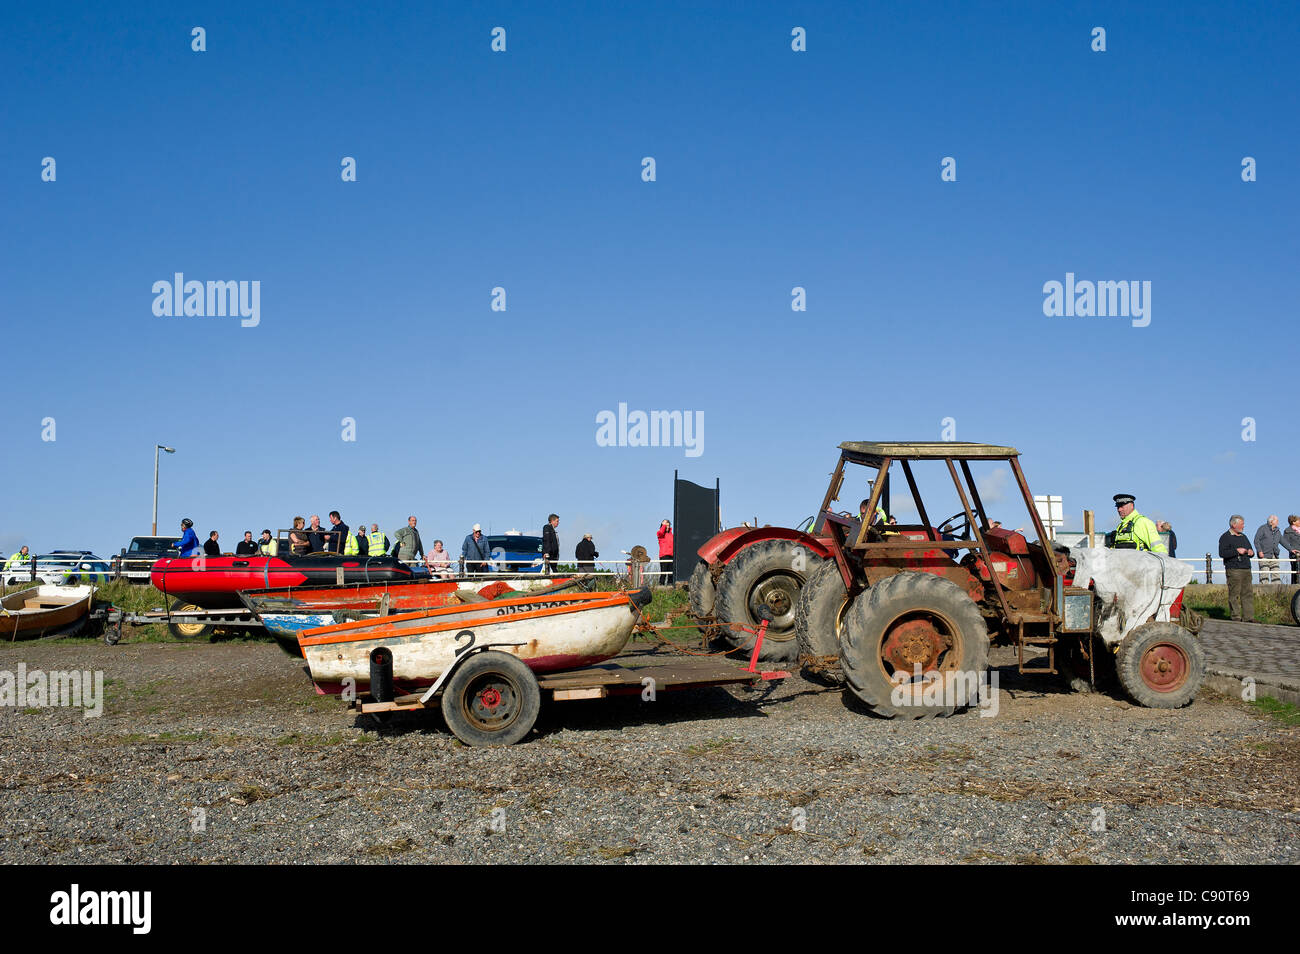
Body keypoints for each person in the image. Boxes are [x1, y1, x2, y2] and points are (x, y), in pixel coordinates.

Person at [1219, 515, 1256, 622]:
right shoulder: (1225, 537)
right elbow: (1222, 553)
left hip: (1246, 568)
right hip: (1233, 569)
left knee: (1247, 593)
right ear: (1234, 524)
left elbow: (1251, 550)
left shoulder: (1244, 537)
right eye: (1242, 524)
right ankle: (1235, 617)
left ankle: (1248, 617)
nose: (1243, 526)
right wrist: (1236, 551)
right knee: (1234, 594)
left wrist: (1251, 552)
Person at [1253, 515, 1282, 583]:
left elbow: (1283, 541)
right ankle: (1264, 592)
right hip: (1264, 555)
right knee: (1264, 575)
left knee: (1276, 575)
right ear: (1271, 522)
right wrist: (1259, 551)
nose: (1278, 522)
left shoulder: (1277, 531)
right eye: (1277, 520)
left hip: (1274, 555)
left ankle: (1277, 591)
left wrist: (1291, 549)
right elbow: (1256, 540)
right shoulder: (1262, 528)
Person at [1283, 515, 1300, 585]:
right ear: (1293, 522)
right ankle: (1295, 585)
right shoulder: (1288, 531)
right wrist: (1292, 549)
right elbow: (1284, 542)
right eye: (1298, 520)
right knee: (1296, 570)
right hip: (1295, 554)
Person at [656, 519, 674, 585]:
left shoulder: (671, 535)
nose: (667, 527)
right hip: (664, 555)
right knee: (664, 571)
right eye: (666, 525)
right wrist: (663, 525)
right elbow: (661, 532)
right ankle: (661, 584)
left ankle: (670, 584)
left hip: (671, 555)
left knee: (671, 572)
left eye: (668, 525)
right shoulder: (660, 534)